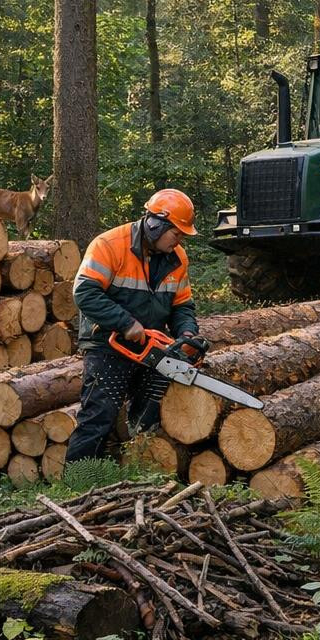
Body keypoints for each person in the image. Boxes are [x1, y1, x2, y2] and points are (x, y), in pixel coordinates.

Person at [66, 189, 200, 462]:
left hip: (149, 346)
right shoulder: (109, 245)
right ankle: (76, 483)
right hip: (108, 343)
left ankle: (134, 472)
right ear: (156, 224)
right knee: (99, 415)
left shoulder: (178, 258)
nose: (179, 241)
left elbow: (182, 305)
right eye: (176, 234)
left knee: (149, 415)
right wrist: (125, 323)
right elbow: (84, 293)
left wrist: (186, 333)